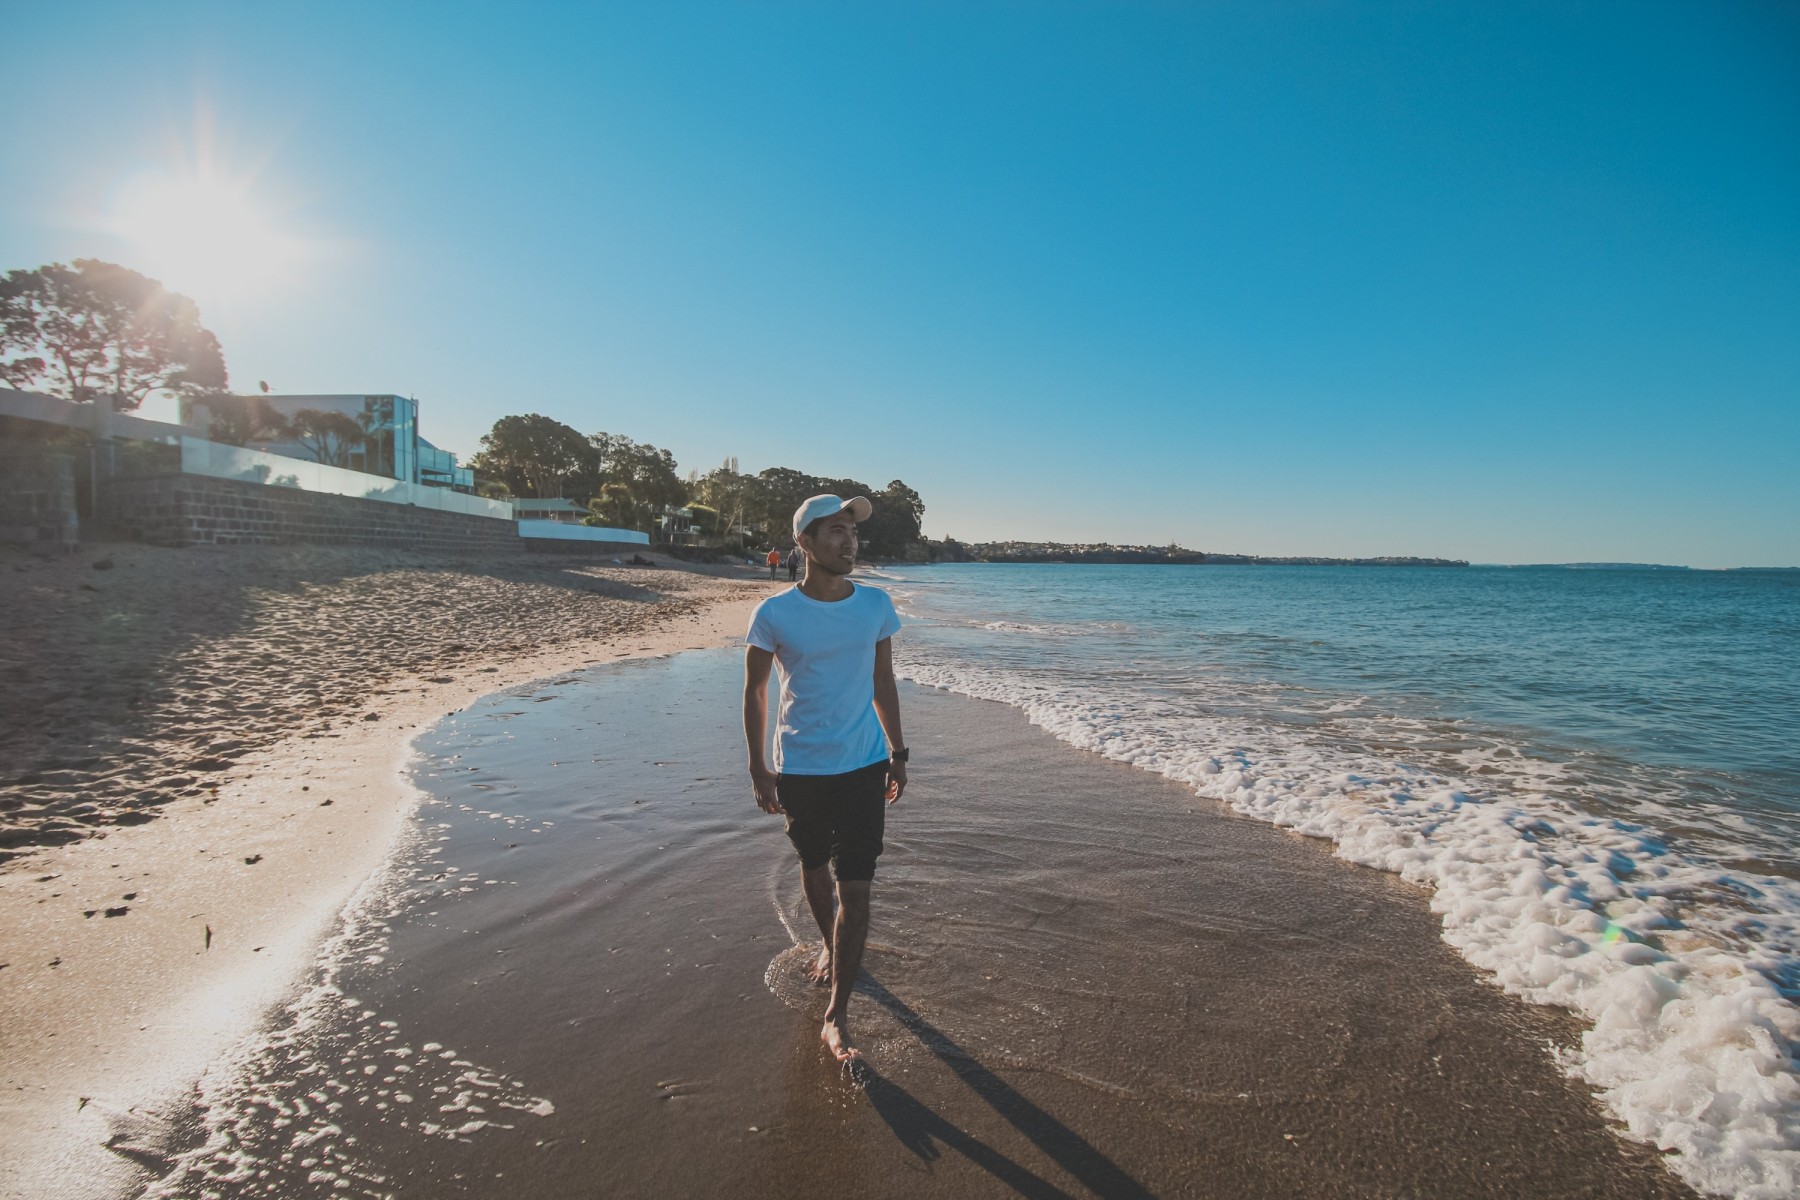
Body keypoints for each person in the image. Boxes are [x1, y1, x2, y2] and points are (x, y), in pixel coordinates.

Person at [743, 494, 907, 1063]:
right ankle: (827, 944)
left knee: (856, 886)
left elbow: (884, 682)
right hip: (801, 768)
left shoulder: (876, 606)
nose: (849, 541)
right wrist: (758, 766)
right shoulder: (773, 614)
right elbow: (756, 692)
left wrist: (898, 751)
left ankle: (837, 1015)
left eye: (853, 533)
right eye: (835, 531)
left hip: (863, 765)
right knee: (814, 868)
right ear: (805, 543)